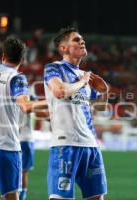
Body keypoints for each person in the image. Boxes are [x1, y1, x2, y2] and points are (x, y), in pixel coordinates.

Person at [0, 38, 46, 200]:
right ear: (22, 59)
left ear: (3, 55)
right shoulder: (17, 78)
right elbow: (25, 106)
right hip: (4, 146)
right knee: (11, 195)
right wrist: (52, 101)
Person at [44, 27, 109, 200]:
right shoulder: (54, 68)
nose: (82, 41)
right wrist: (82, 82)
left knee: (96, 197)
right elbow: (60, 91)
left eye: (82, 39)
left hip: (90, 145)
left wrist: (105, 92)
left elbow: (101, 107)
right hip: (66, 145)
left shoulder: (86, 76)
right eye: (76, 40)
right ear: (63, 48)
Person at [18, 93, 49, 200]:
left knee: (11, 172)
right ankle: (21, 197)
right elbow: (46, 116)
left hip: (12, 140)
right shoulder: (30, 99)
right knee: (23, 172)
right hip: (26, 139)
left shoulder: (12, 98)